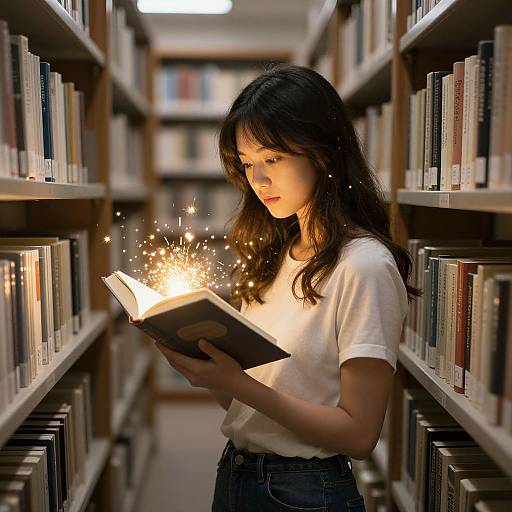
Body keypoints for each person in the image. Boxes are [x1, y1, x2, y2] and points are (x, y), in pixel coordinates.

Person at [154, 64, 419, 512]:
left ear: (322, 153)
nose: (257, 181)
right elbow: (255, 408)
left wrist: (238, 383)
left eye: (272, 159)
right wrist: (206, 369)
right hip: (237, 475)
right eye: (247, 164)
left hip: (305, 492)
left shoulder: (364, 267)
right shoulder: (277, 255)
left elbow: (359, 435)